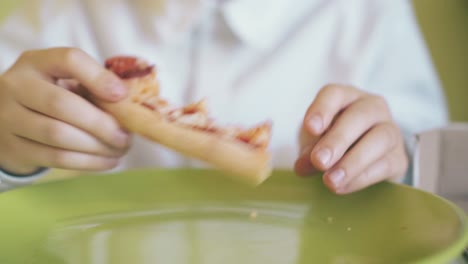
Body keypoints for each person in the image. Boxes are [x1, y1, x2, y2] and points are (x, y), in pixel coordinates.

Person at [0, 0, 448, 193]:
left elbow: (437, 172)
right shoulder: (63, 13)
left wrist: (393, 157)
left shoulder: (367, 13)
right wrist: (7, 152)